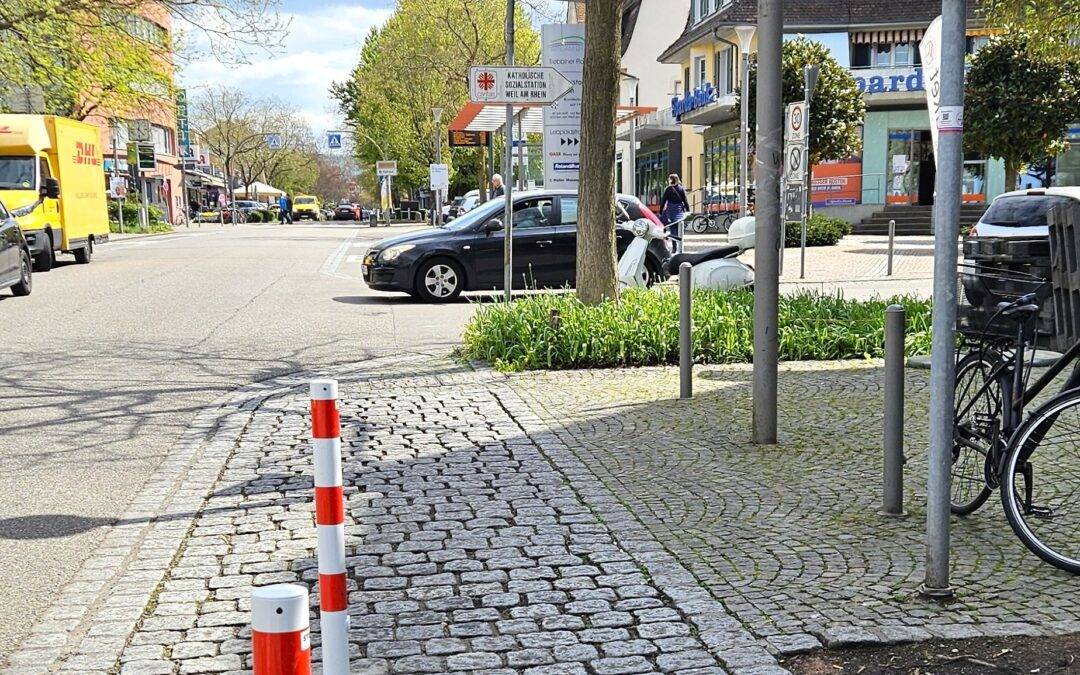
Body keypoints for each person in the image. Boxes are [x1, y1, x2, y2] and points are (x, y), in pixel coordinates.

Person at [661, 173, 690, 252]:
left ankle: (674, 247)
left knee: (672, 228)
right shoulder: (681, 189)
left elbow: (663, 201)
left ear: (671, 180)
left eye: (669, 179)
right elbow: (685, 201)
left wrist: (661, 211)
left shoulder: (668, 189)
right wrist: (688, 211)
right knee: (679, 228)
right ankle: (680, 246)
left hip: (671, 210)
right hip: (679, 210)